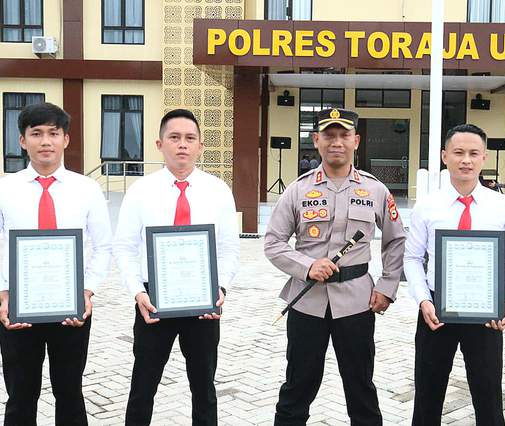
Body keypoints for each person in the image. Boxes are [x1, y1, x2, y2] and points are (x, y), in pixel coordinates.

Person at [264, 108, 406, 426]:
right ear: (316, 140)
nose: (337, 142)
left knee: (361, 387)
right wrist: (307, 266)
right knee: (297, 386)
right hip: (307, 302)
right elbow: (273, 242)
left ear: (356, 140)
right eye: (329, 135)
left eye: (344, 135)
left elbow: (396, 240)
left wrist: (387, 287)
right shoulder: (298, 190)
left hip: (357, 302)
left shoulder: (375, 190)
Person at [113, 109, 240, 425]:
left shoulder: (218, 191)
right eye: (174, 137)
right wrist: (137, 292)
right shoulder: (140, 191)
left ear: (200, 146)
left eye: (189, 138)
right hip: (153, 300)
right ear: (159, 144)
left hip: (203, 299)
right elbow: (125, 246)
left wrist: (221, 287)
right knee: (143, 386)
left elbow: (228, 247)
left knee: (204, 387)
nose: (182, 144)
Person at [404, 124, 505, 426]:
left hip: (486, 314)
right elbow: (412, 258)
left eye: (474, 153)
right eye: (458, 152)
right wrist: (423, 300)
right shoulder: (427, 206)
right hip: (436, 311)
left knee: (488, 397)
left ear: (484, 157)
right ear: (444, 156)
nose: (466, 160)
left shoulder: (502, 207)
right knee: (428, 396)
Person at [0, 102, 112, 425]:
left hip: (71, 308)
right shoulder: (5, 189)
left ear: (66, 139)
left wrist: (86, 291)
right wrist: (3, 295)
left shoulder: (87, 189)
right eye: (36, 133)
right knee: (20, 396)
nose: (45, 141)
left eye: (53, 133)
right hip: (17, 309)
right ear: (22, 141)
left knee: (70, 393)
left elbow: (103, 246)